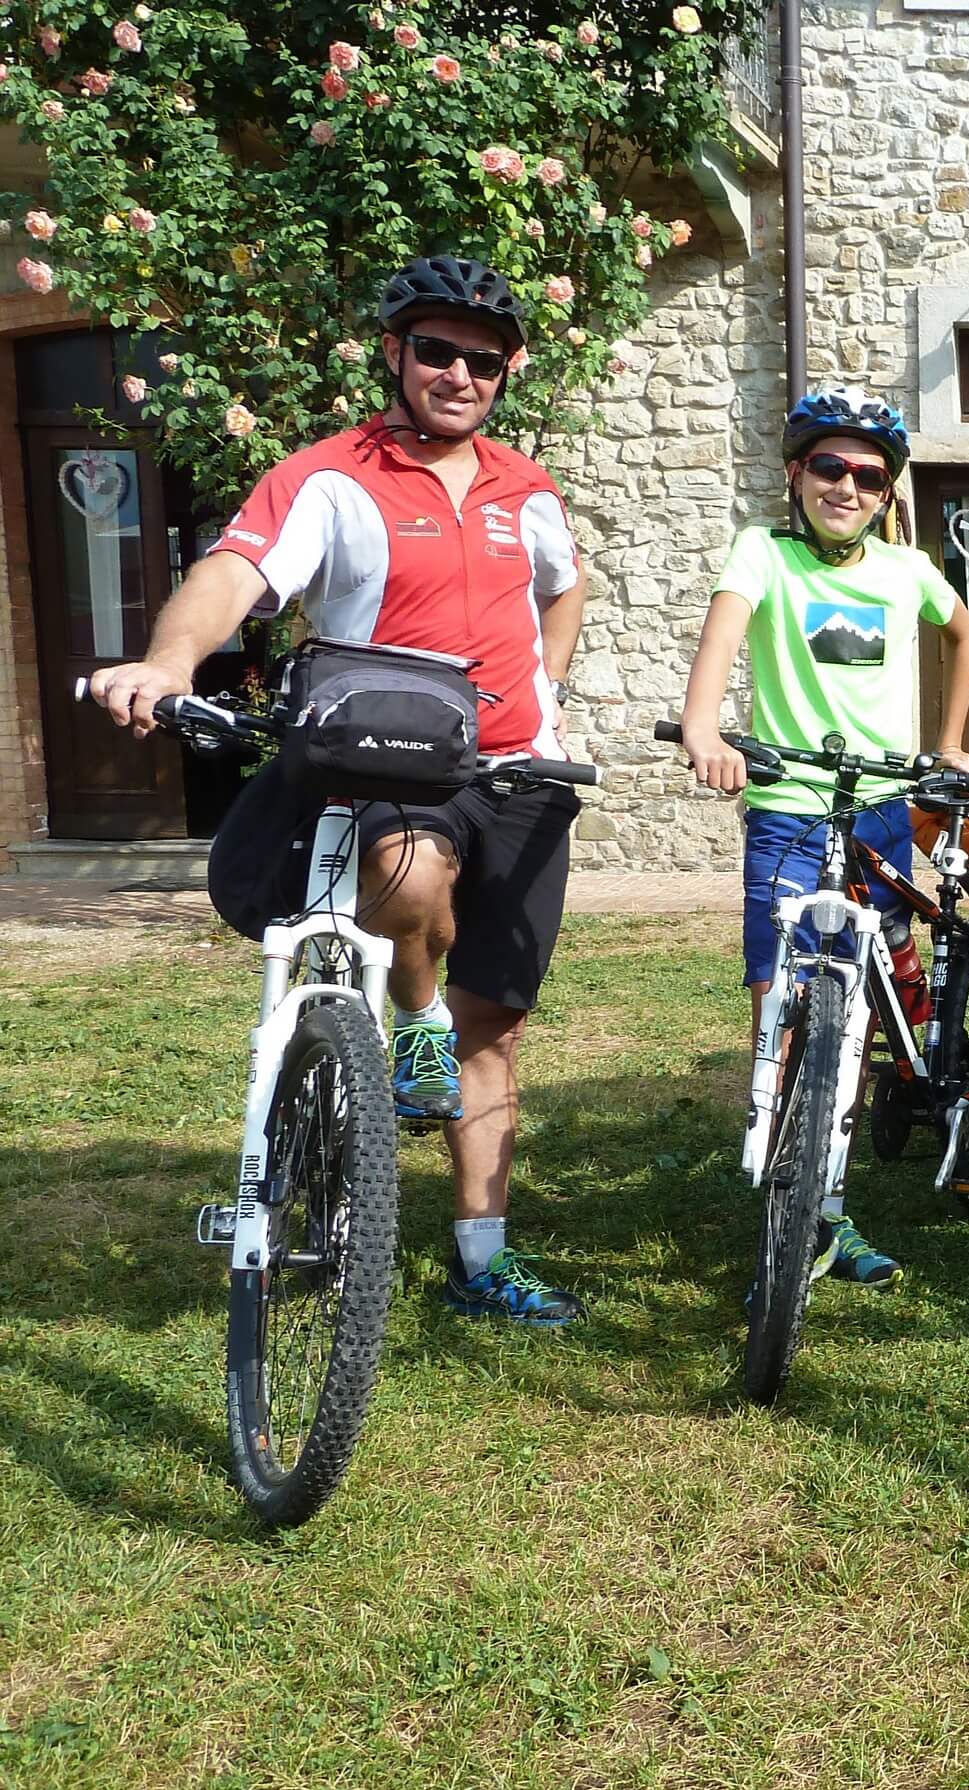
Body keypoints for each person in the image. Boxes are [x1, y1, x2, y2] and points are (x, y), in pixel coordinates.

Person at [92, 256, 592, 1327]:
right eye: (438, 352)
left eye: (485, 361)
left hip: (522, 774)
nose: (460, 374)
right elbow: (237, 571)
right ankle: (410, 1017)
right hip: (388, 764)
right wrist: (171, 662)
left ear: (506, 374)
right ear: (397, 355)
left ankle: (481, 1256)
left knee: (495, 1029)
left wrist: (545, 691)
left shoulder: (527, 487)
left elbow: (563, 585)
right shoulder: (331, 476)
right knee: (405, 879)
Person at [677, 388, 969, 1291]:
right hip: (790, 804)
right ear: (795, 475)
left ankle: (835, 1193)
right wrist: (704, 728)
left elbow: (963, 630)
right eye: (829, 468)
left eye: (868, 477)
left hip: (883, 803)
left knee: (868, 982)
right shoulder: (762, 553)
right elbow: (724, 636)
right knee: (787, 996)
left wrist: (950, 740)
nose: (847, 487)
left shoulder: (904, 567)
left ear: (887, 494)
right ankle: (804, 1197)